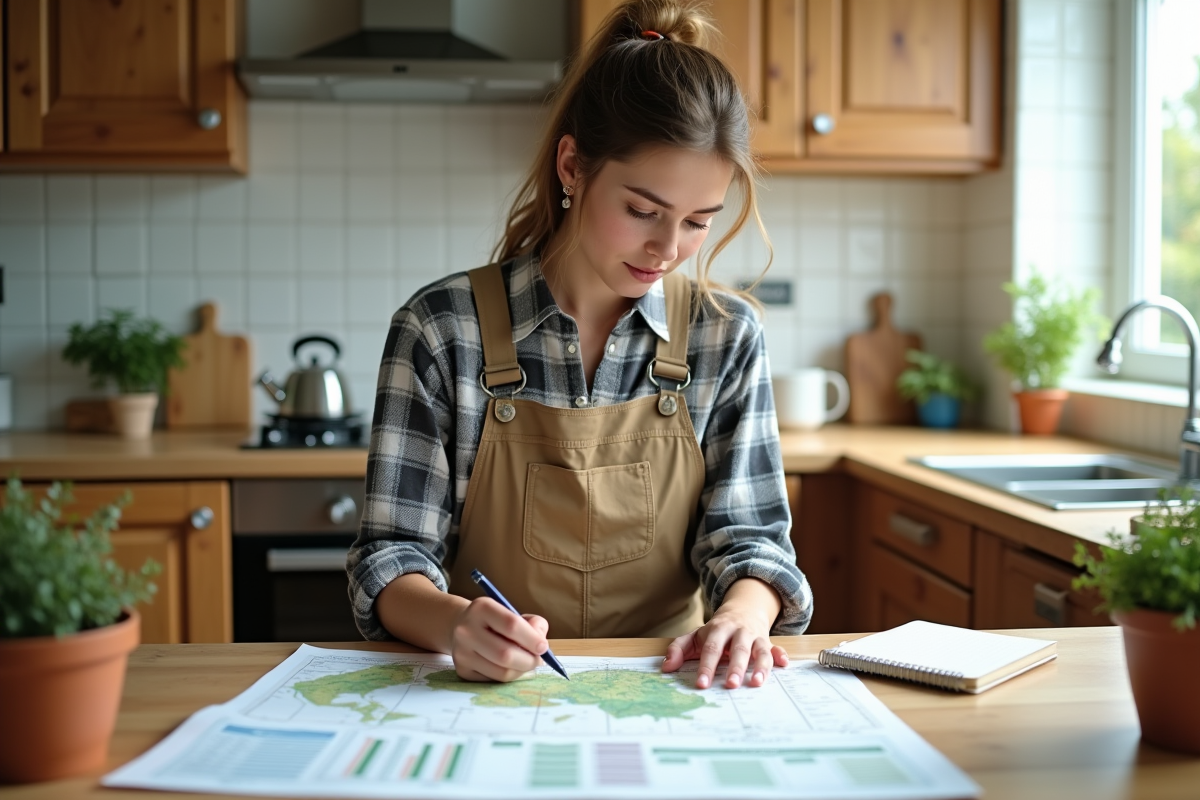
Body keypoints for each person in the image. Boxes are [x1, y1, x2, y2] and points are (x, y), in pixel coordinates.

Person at [348, 0, 812, 692]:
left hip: (667, 693)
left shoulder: (726, 336)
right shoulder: (442, 329)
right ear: (572, 166)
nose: (667, 248)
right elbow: (391, 557)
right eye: (642, 211)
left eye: (697, 222)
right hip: (484, 698)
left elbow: (750, 543)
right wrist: (455, 626)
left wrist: (744, 614)